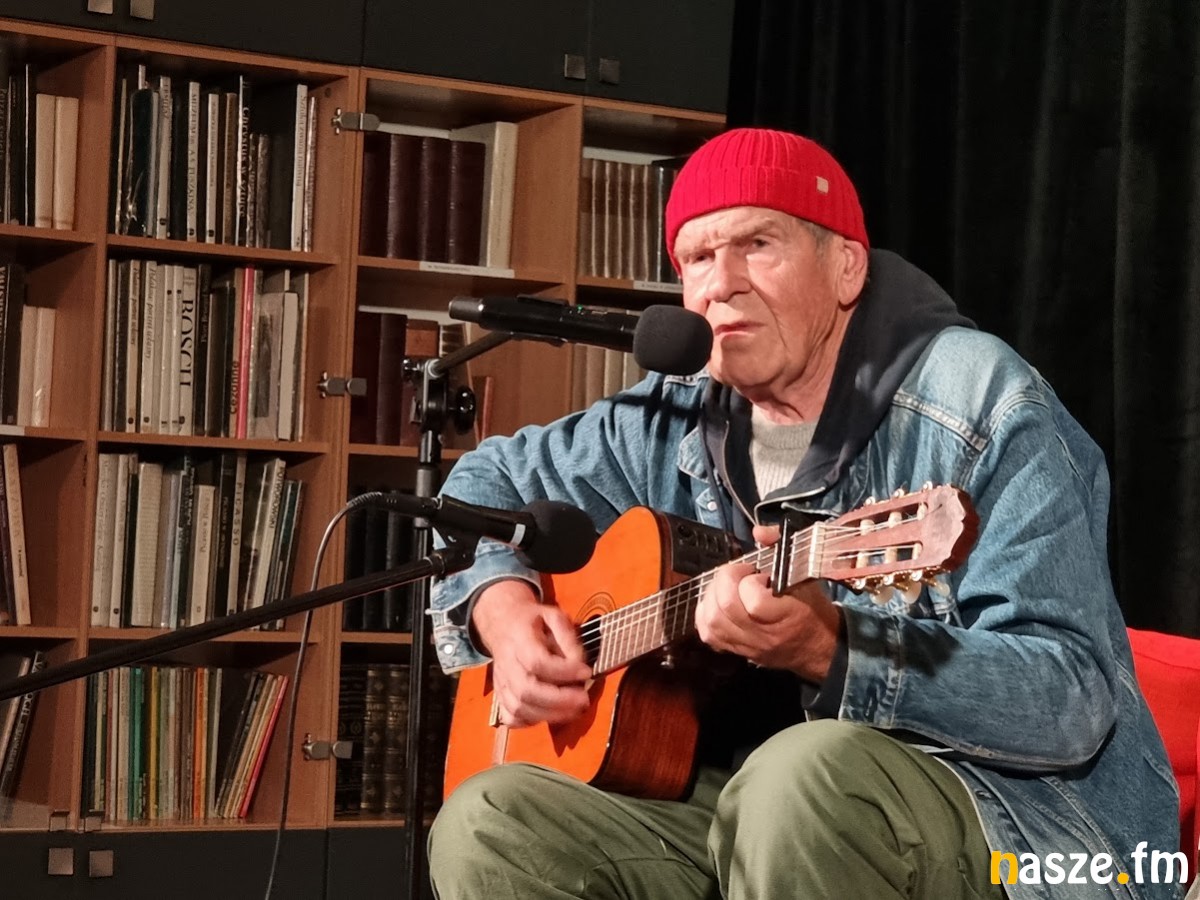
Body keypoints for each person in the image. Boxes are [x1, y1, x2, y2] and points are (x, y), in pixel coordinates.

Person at [425, 127, 1181, 899]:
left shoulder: (980, 403)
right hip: (750, 809)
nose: (723, 284)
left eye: (758, 245)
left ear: (846, 266)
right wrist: (503, 613)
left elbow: (1069, 701)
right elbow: (485, 484)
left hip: (1021, 833)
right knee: (489, 822)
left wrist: (835, 649)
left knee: (799, 781)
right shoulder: (671, 411)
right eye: (697, 259)